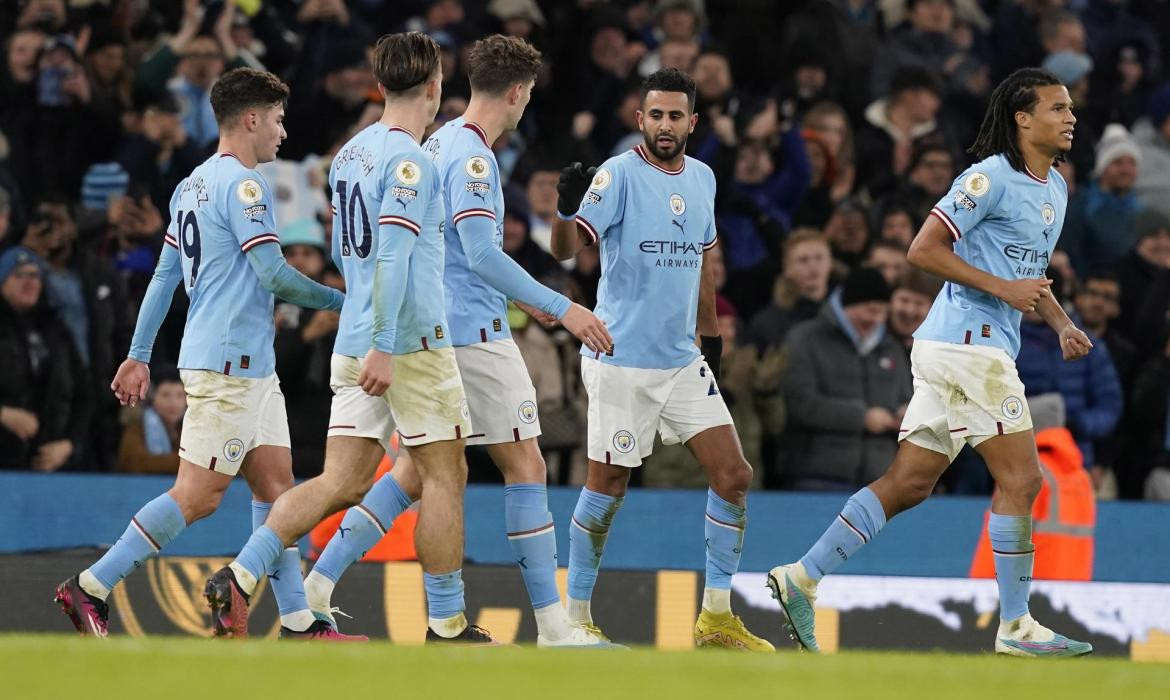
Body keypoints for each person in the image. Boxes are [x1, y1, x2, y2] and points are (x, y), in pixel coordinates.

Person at [287, 34, 613, 648]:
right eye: (528, 96)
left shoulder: (432, 142)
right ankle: (550, 626)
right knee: (523, 463)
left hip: (426, 328)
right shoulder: (471, 156)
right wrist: (559, 306)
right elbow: (482, 253)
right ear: (517, 93)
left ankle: (318, 583)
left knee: (414, 472)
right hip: (469, 332)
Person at [767, 68, 1094, 657]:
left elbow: (1027, 280)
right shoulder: (986, 178)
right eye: (1057, 107)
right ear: (1022, 118)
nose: (1070, 117)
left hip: (962, 347)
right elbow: (922, 250)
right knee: (1023, 479)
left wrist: (1063, 323)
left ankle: (801, 577)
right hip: (969, 345)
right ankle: (1017, 625)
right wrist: (1003, 287)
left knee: (911, 483)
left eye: (1070, 109)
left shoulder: (1055, 190)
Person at [54, 67, 348, 640]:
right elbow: (275, 275)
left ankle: (297, 621)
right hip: (228, 363)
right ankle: (90, 585)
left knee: (276, 487)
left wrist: (139, 354)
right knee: (199, 496)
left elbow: (164, 279)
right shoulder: (244, 185)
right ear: (253, 118)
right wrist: (345, 299)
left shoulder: (190, 186)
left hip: (250, 364)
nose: (284, 133)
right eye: (280, 120)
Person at [549, 67, 772, 650]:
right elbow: (569, 253)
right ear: (639, 118)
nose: (665, 125)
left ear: (693, 122)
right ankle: (573, 618)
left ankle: (716, 619)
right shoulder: (618, 174)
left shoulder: (702, 178)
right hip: (620, 358)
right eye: (656, 115)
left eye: (676, 116)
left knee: (734, 475)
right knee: (609, 484)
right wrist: (564, 211)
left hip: (679, 359)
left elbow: (702, 262)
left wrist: (713, 339)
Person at [781, 268, 912, 491]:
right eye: (869, 310)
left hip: (881, 480)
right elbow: (800, 403)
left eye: (881, 312)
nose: (874, 319)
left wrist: (905, 413)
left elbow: (906, 397)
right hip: (818, 475)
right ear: (846, 305)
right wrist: (861, 417)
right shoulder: (806, 339)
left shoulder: (891, 348)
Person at [116, 365, 186, 474]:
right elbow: (137, 464)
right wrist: (188, 464)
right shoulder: (136, 427)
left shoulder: (190, 429)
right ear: (152, 397)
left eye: (179, 395)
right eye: (165, 395)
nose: (173, 402)